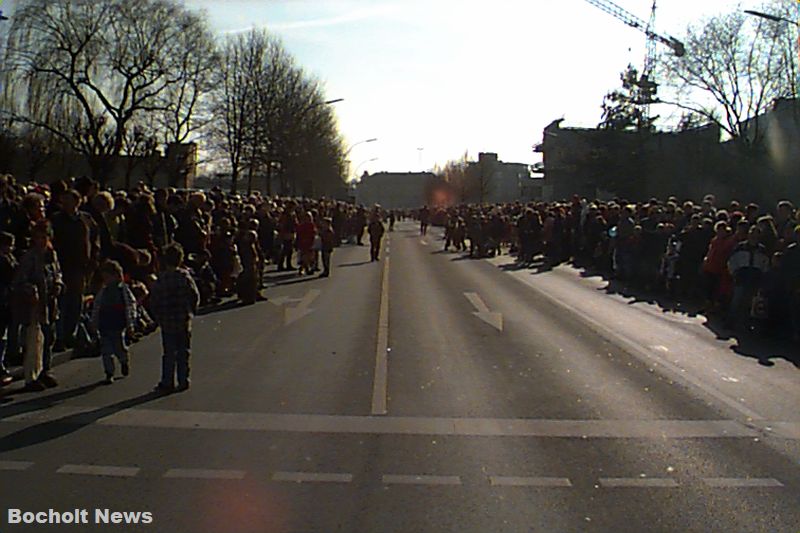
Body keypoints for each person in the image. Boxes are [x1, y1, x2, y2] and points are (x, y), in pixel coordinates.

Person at [13, 221, 63, 391]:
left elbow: (57, 272)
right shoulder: (30, 257)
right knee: (34, 340)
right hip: (34, 304)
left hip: (49, 301)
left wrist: (57, 283)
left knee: (49, 337)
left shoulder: (51, 254)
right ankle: (31, 376)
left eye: (44, 237)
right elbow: (20, 280)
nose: (41, 241)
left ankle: (45, 370)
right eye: (38, 237)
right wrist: (30, 289)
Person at [149, 243, 200, 393]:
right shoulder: (185, 276)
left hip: (167, 321)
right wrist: (191, 310)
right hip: (182, 319)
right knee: (184, 351)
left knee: (169, 352)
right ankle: (184, 379)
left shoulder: (161, 279)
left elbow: (154, 300)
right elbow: (194, 295)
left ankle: (167, 381)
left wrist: (157, 316)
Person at [91, 260, 136, 384]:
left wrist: (130, 323)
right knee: (106, 350)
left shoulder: (123, 291)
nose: (106, 280)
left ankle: (123, 360)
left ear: (116, 276)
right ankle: (109, 372)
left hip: (118, 324)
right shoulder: (103, 292)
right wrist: (94, 323)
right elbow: (97, 307)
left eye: (108, 277)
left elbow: (130, 306)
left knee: (119, 346)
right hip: (105, 324)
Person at [0, 232, 17, 385]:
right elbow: (13, 275)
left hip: (6, 300)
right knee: (2, 336)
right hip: (4, 301)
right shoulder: (5, 261)